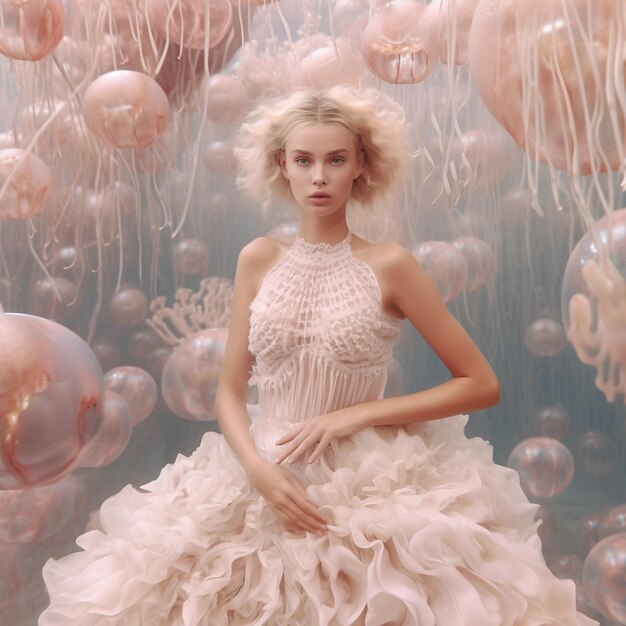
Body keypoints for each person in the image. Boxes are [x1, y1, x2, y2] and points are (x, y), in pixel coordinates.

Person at [39, 86, 598, 625]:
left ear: (361, 164)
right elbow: (229, 392)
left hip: (365, 476)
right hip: (260, 464)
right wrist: (258, 470)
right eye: (304, 160)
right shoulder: (258, 258)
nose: (320, 176)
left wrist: (356, 415)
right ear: (282, 164)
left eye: (336, 160)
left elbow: (480, 382)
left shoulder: (390, 264)